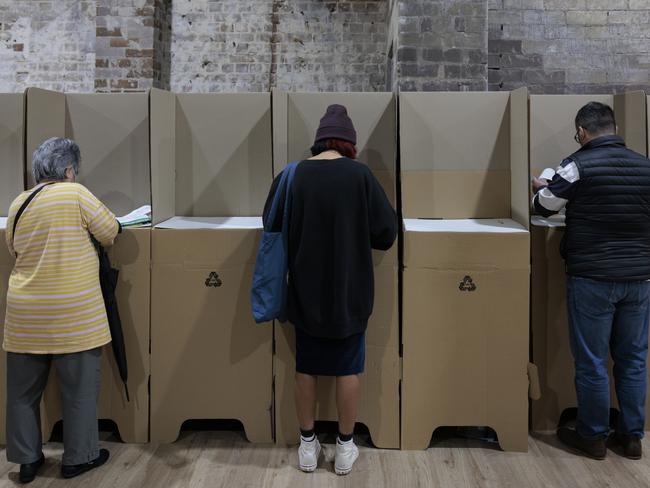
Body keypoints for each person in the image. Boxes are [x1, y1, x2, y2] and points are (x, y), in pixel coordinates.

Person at [264, 105, 397, 475]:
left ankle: (307, 446)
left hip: (304, 288)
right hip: (349, 290)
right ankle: (344, 447)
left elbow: (269, 222)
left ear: (319, 140)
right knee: (347, 368)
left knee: (305, 366)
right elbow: (387, 233)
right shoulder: (360, 176)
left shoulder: (293, 175)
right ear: (349, 143)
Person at [532, 102, 650, 461]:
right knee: (633, 360)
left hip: (593, 278)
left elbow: (543, 206)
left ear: (582, 132)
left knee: (592, 361)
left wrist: (541, 184)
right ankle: (632, 436)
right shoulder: (646, 167)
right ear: (613, 129)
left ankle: (593, 435)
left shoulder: (577, 165)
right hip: (639, 279)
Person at [4, 138, 120, 483]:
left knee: (23, 394)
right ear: (69, 169)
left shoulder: (18, 202)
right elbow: (110, 231)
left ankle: (26, 461)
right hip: (74, 314)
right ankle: (78, 458)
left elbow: (13, 248)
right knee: (79, 391)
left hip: (26, 314)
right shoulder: (76, 194)